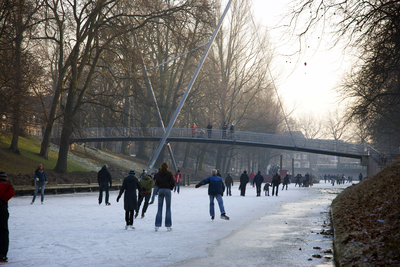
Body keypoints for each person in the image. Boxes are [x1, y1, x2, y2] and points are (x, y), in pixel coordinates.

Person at [154, 162, 175, 232]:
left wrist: (160, 187)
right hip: (167, 190)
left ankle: (157, 225)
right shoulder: (169, 174)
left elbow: (156, 182)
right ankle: (168, 226)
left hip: (160, 190)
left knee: (159, 208)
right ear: (167, 167)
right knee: (168, 208)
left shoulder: (158, 174)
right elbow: (173, 182)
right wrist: (170, 188)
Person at [0, 172, 15, 263]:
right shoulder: (8, 185)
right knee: (3, 231)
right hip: (2, 210)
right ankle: (2, 254)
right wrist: (2, 200)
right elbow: (11, 192)